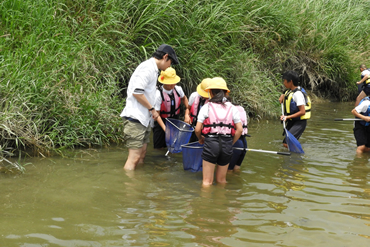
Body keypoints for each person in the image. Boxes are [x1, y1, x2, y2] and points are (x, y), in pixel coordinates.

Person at [120, 44, 179, 170]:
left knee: (142, 155)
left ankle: (139, 183)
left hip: (144, 119)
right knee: (134, 157)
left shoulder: (153, 69)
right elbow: (137, 92)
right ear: (165, 57)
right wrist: (152, 109)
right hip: (136, 118)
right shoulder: (147, 68)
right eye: (170, 62)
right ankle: (129, 188)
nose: (169, 66)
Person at [195, 77, 243, 186]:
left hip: (211, 143)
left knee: (207, 182)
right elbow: (239, 130)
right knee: (222, 181)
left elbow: (197, 129)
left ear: (210, 92)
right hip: (226, 144)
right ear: (226, 93)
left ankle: (205, 202)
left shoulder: (207, 107)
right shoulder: (232, 108)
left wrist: (200, 138)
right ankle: (221, 201)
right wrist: (231, 143)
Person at [153, 67, 190, 149]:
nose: (173, 84)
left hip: (174, 119)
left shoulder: (178, 89)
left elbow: (184, 99)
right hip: (162, 120)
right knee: (159, 146)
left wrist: (188, 112)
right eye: (170, 83)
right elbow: (157, 115)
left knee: (174, 144)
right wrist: (166, 130)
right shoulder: (158, 94)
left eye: (174, 82)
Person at [279, 71, 311, 148]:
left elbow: (302, 112)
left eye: (285, 81)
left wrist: (287, 117)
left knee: (287, 143)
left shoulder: (298, 94)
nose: (284, 83)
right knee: (285, 143)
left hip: (299, 122)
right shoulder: (290, 91)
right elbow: (287, 95)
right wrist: (283, 95)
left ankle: (295, 157)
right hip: (292, 121)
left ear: (291, 81)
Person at [187, 78, 212, 142]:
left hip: (206, 129)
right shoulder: (194, 96)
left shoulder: (213, 101)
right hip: (194, 125)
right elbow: (188, 108)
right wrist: (186, 115)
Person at [228, 104, 248, 172]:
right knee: (236, 168)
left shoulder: (229, 109)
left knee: (228, 170)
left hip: (235, 141)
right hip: (243, 142)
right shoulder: (241, 108)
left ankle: (230, 182)